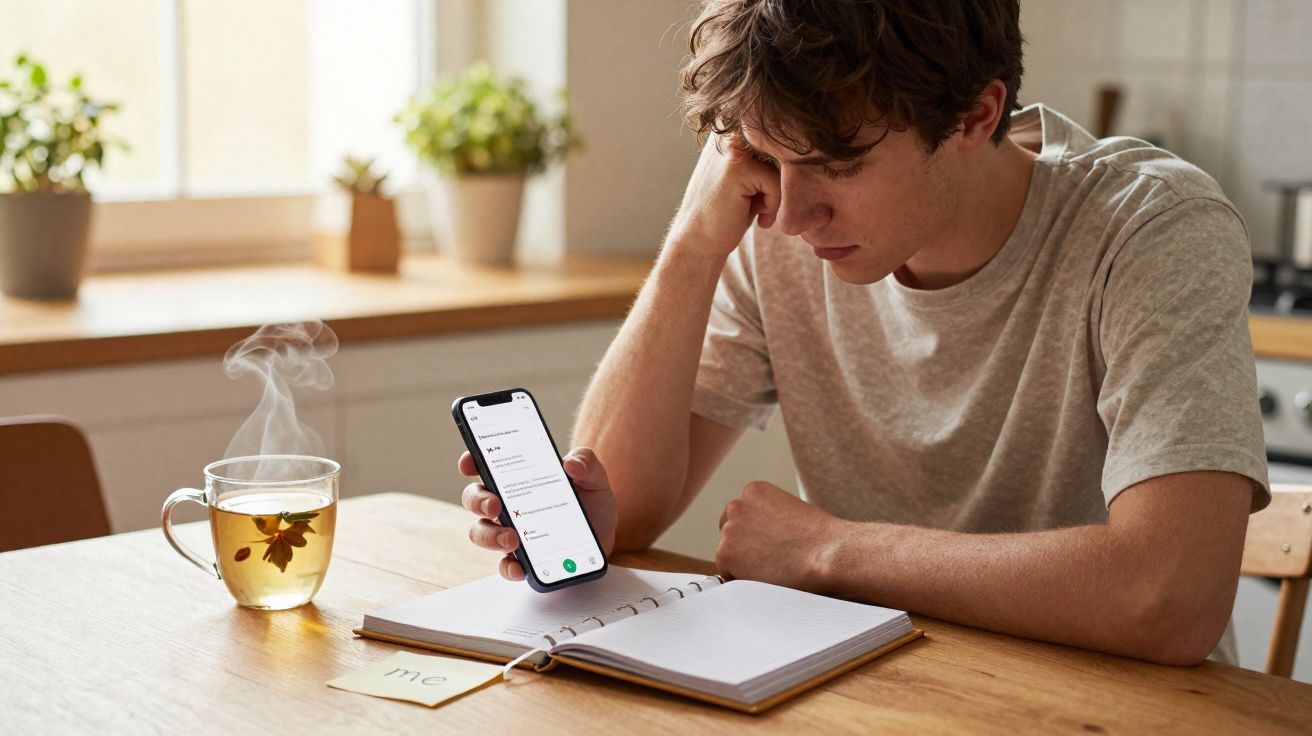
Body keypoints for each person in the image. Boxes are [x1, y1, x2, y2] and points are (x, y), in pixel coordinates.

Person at [458, 0, 1269, 666]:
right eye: (767, 159)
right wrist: (691, 246)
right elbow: (623, 516)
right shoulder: (779, 222)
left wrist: (831, 551)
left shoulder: (1152, 230)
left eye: (839, 166)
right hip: (878, 693)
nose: (795, 213)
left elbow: (1169, 597)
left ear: (975, 115)